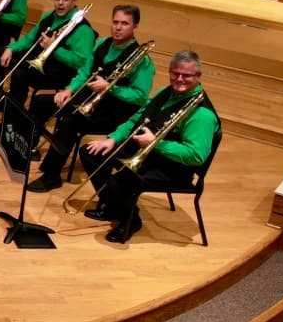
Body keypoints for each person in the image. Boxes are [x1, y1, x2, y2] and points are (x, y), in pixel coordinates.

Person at [80, 50, 218, 245]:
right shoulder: (165, 92)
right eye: (175, 73)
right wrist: (112, 139)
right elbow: (137, 118)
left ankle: (131, 220)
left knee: (124, 176)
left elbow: (196, 156)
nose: (179, 79)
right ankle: (115, 205)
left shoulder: (202, 115)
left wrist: (155, 143)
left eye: (186, 75)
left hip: (173, 168)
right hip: (148, 152)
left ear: (198, 76)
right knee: (90, 153)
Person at [26, 5, 155, 193]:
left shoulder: (142, 60)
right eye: (115, 22)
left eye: (125, 24)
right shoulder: (102, 43)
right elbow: (85, 71)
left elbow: (140, 96)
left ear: (135, 27)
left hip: (114, 112)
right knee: (41, 103)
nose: (118, 27)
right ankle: (30, 147)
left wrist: (110, 88)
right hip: (90, 101)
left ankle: (51, 175)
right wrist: (69, 90)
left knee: (70, 122)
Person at [0, 0, 93, 131]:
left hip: (62, 73)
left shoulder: (83, 30)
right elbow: (29, 39)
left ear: (74, 1)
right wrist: (11, 48)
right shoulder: (49, 16)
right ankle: (10, 117)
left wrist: (54, 48)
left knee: (20, 74)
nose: (60, 3)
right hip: (43, 65)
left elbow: (80, 62)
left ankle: (16, 122)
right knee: (7, 61)